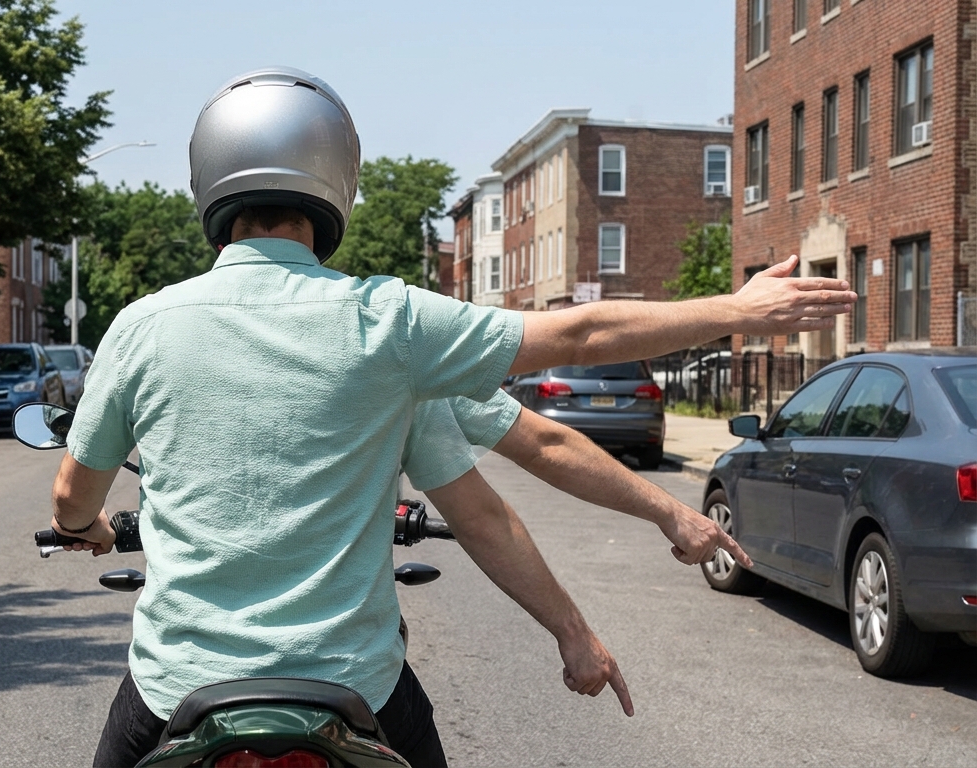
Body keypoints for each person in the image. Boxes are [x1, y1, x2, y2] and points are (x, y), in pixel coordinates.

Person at [51, 66, 854, 766]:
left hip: (180, 685)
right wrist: (737, 308)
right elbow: (562, 367)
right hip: (350, 686)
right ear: (336, 184)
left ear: (210, 184)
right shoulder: (390, 335)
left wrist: (89, 526)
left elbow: (69, 501)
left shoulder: (143, 326)